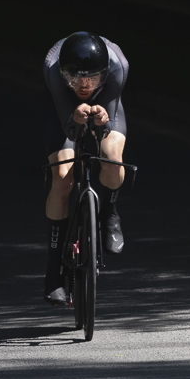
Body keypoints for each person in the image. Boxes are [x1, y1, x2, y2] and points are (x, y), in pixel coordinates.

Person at [42, 32, 129, 305]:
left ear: (104, 74)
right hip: (64, 108)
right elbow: (68, 124)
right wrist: (75, 118)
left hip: (107, 105)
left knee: (112, 159)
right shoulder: (52, 68)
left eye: (93, 78)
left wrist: (101, 120)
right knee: (63, 176)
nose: (84, 85)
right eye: (76, 78)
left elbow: (107, 124)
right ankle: (54, 270)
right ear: (64, 73)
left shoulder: (119, 66)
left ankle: (110, 213)